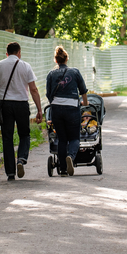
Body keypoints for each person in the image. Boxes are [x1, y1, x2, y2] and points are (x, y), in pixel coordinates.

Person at [0, 42, 43, 181]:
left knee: (7, 138)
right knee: (24, 134)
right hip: (21, 105)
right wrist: (39, 109)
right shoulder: (25, 66)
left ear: (7, 53)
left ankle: (10, 173)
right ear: (19, 52)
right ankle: (21, 159)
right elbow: (33, 89)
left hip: (5, 105)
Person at [46, 46, 88, 176]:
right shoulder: (75, 72)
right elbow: (83, 91)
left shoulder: (51, 74)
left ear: (56, 60)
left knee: (62, 139)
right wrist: (84, 104)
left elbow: (48, 94)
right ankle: (71, 156)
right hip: (72, 107)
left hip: (56, 108)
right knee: (75, 137)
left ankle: (63, 169)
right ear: (66, 58)